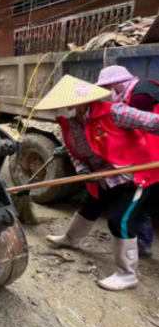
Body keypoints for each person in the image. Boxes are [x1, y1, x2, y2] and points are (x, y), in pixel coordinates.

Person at [36, 75, 159, 291]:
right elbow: (75, 154)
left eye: (66, 105)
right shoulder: (72, 125)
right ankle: (71, 239)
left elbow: (151, 122)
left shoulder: (114, 112)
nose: (63, 110)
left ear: (81, 103)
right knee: (89, 206)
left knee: (118, 220)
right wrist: (84, 171)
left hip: (133, 176)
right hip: (103, 176)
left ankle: (127, 274)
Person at [96, 65, 159, 257]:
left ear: (117, 83)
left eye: (109, 87)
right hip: (146, 150)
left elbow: (142, 126)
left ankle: (142, 243)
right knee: (137, 201)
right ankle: (142, 242)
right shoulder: (138, 88)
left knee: (135, 202)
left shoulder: (140, 97)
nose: (108, 92)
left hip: (150, 151)